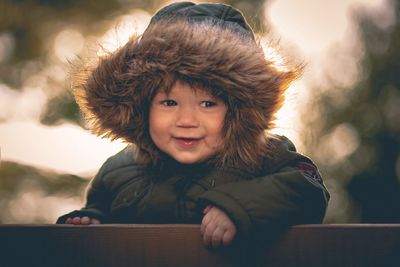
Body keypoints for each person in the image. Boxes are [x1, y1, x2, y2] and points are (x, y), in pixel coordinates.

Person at [56, 2, 330, 248]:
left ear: (238, 111)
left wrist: (239, 207)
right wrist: (91, 221)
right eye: (169, 103)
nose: (187, 121)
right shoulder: (119, 169)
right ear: (142, 107)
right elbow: (99, 206)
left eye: (208, 104)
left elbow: (308, 189)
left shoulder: (263, 157)